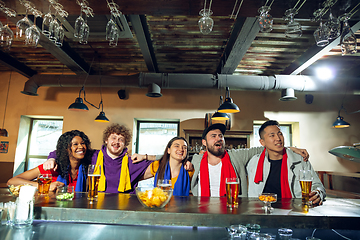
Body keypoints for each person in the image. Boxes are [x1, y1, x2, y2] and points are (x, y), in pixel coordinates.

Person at [133, 123, 309, 197]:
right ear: (204, 142)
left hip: (233, 210)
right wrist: (145, 156)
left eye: (221, 136)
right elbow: (174, 155)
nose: (218, 139)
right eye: (213, 136)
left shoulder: (236, 156)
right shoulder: (195, 160)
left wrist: (289, 148)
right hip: (202, 211)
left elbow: (263, 146)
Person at [45, 124, 152, 194]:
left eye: (121, 139)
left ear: (125, 144)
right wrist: (51, 159)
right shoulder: (93, 155)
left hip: (124, 209)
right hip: (94, 204)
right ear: (106, 140)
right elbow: (66, 151)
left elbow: (162, 163)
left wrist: (146, 156)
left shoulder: (133, 162)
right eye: (113, 138)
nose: (116, 142)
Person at [246, 120, 325, 205]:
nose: (278, 138)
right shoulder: (253, 162)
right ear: (262, 142)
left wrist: (318, 193)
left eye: (280, 134)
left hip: (294, 211)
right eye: (272, 135)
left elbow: (318, 185)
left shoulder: (300, 160)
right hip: (261, 211)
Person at [7, 130, 93, 192]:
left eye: (82, 143)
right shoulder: (52, 166)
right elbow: (12, 182)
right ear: (66, 149)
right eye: (75, 144)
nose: (81, 146)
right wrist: (44, 186)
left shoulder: (86, 168)